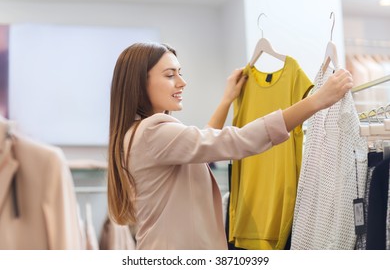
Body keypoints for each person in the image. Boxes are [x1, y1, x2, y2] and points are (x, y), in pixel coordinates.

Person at [107, 42, 353, 250]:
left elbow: (203, 145)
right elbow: (237, 141)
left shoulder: (138, 133)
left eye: (180, 72)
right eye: (170, 75)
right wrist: (316, 101)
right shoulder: (154, 131)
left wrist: (227, 100)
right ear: (139, 83)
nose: (182, 82)